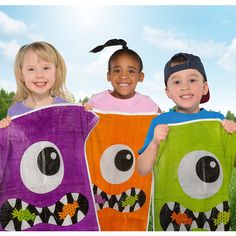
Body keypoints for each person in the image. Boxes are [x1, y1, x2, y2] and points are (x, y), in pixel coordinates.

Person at [137, 52, 236, 176]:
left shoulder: (217, 121)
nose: (185, 87)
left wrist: (233, 135)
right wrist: (154, 144)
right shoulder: (160, 122)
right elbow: (142, 170)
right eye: (177, 82)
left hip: (215, 195)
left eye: (192, 80)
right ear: (168, 92)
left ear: (205, 87)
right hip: (172, 195)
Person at [0, 41, 74, 128]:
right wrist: (3, 128)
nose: (39, 75)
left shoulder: (65, 107)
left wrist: (87, 114)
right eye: (31, 69)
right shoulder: (14, 112)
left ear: (56, 72)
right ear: (21, 75)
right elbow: (12, 140)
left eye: (46, 68)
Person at [85, 39, 161, 113]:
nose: (123, 76)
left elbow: (164, 123)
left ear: (140, 76)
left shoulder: (149, 105)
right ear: (109, 75)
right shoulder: (95, 102)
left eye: (131, 71)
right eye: (117, 71)